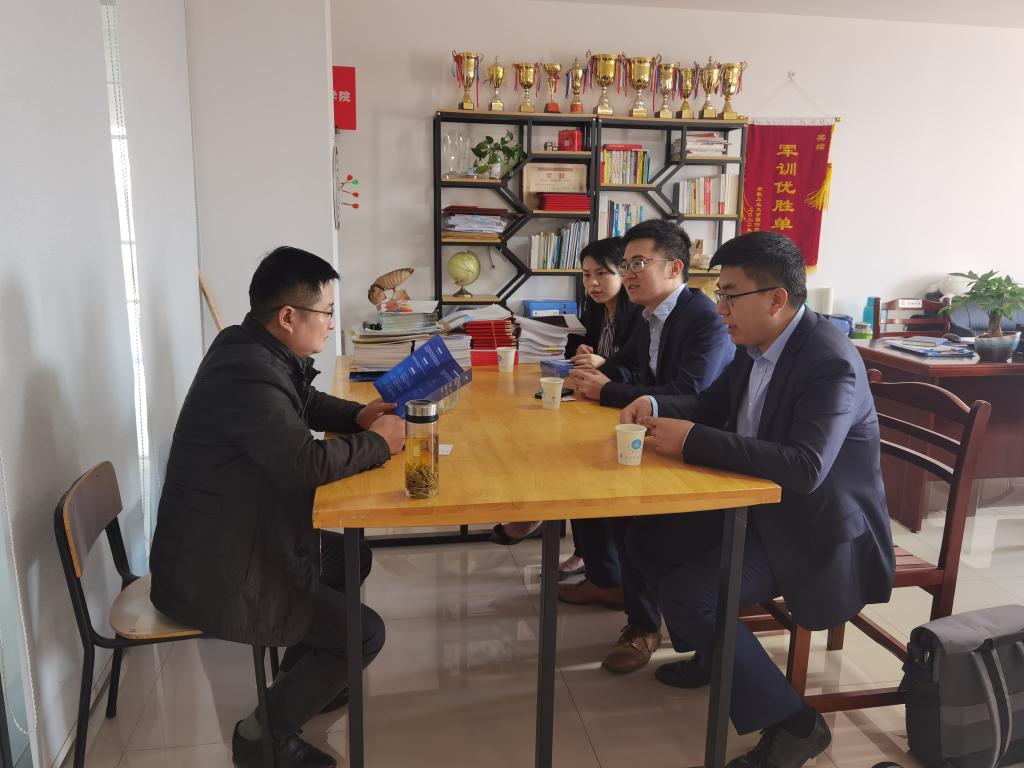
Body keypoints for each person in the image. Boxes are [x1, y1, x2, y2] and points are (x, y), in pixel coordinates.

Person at [620, 231, 895, 768]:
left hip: (813, 529)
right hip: (760, 507)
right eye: (718, 294)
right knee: (646, 540)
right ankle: (714, 654)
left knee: (689, 595)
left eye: (730, 295)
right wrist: (652, 403)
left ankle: (795, 725)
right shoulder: (756, 345)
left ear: (776, 299)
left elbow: (805, 467)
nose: (719, 309)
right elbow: (711, 403)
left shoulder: (829, 361)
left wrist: (692, 441)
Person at [149, 247, 405, 768]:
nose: (331, 322)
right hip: (218, 565)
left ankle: (299, 680)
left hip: (233, 534)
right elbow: (304, 465)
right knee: (364, 634)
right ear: (289, 317)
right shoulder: (247, 369)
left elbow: (301, 403)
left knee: (351, 557)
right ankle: (261, 737)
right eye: (326, 312)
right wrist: (379, 442)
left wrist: (358, 417)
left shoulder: (249, 348)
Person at [562, 219, 735, 675]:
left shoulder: (704, 319)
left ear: (675, 268)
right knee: (587, 483)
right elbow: (624, 365)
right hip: (655, 434)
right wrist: (595, 375)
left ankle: (643, 625)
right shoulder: (647, 314)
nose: (629, 274)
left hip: (699, 447)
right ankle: (612, 583)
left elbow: (689, 392)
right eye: (626, 264)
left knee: (630, 514)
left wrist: (608, 389)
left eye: (638, 263)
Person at [489, 238, 641, 587]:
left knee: (572, 462)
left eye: (602, 274)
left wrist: (604, 363)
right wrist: (584, 350)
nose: (593, 283)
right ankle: (571, 540)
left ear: (624, 272)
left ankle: (547, 522)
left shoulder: (637, 314)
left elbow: (635, 369)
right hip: (592, 400)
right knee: (537, 438)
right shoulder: (597, 308)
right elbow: (578, 347)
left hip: (619, 409)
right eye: (586, 275)